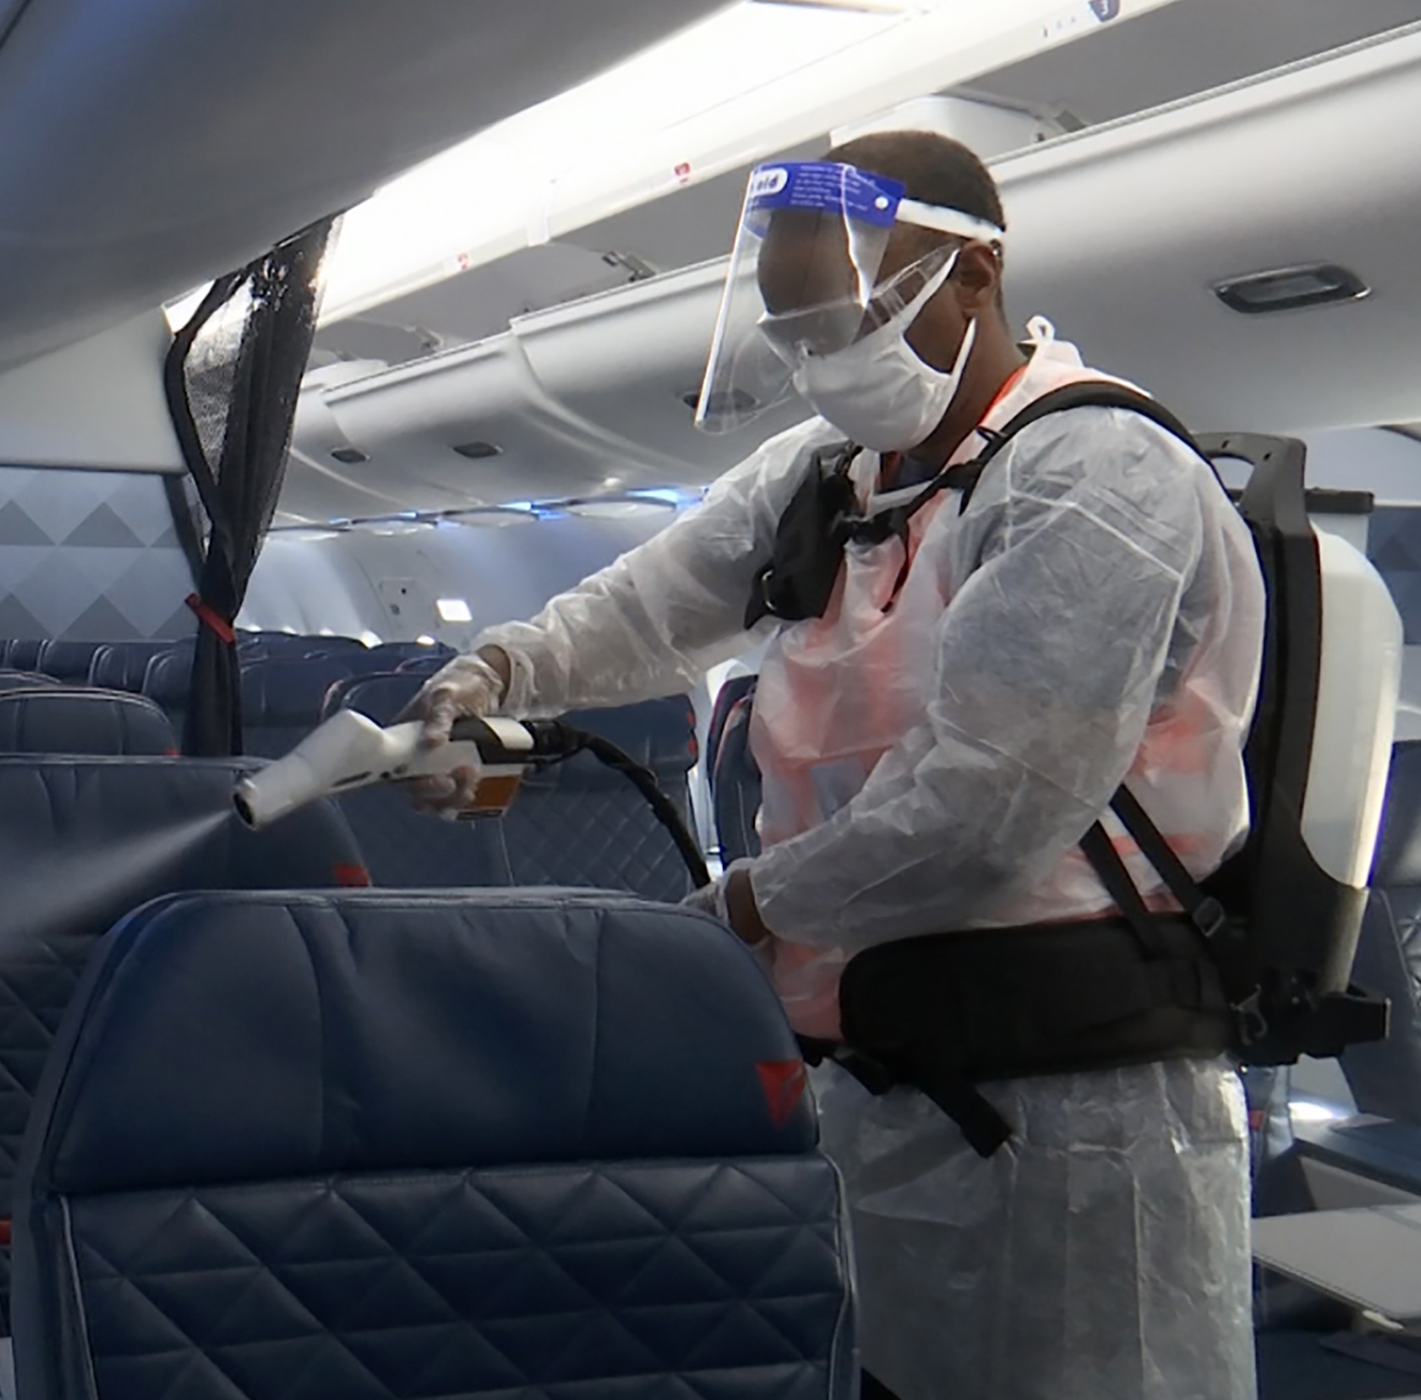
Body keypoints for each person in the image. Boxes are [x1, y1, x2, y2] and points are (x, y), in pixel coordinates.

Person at [402, 130, 1262, 1400]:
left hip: (1079, 1107)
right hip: (885, 1069)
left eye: (852, 319)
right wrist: (498, 671)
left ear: (975, 279)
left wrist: (743, 906)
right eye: (797, 331)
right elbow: (649, 609)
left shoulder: (1096, 478)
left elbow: (989, 805)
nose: (825, 361)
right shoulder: (831, 472)